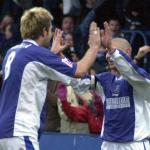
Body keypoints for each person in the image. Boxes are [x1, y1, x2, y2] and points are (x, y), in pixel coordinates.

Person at [0, 7, 101, 150]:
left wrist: (52, 56)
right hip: (21, 131)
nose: (52, 33)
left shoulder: (13, 51)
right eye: (50, 29)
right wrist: (94, 47)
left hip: (5, 131)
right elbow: (79, 70)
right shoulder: (37, 54)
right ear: (44, 31)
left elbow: (34, 71)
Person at [70, 22, 150, 150]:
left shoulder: (140, 80)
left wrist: (113, 51)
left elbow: (130, 71)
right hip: (108, 144)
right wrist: (59, 60)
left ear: (128, 52)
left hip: (134, 145)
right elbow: (78, 83)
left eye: (112, 50)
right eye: (107, 51)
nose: (109, 55)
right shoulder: (103, 80)